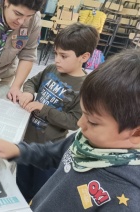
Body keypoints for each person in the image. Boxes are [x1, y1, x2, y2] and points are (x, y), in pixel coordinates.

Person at [0, 48, 140, 210]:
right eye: (83, 113)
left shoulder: (126, 200)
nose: (80, 124)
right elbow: (53, 153)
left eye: (93, 122)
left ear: (136, 133)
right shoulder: (86, 139)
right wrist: (18, 151)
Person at [16, 23, 99, 202]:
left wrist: (43, 109)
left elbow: (73, 121)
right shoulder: (51, 69)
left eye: (63, 56)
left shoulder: (84, 88)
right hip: (27, 142)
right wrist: (29, 92)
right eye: (55, 54)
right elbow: (31, 82)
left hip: (49, 151)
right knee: (20, 185)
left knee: (39, 193)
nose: (57, 60)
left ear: (84, 57)